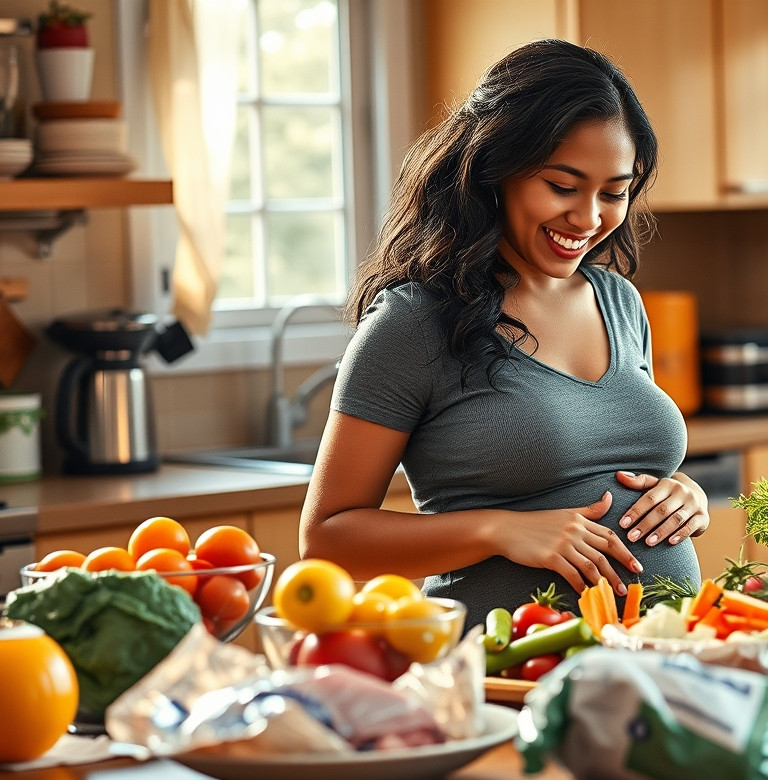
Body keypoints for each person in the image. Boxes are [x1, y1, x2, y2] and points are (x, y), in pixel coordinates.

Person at [299, 40, 709, 631]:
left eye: (613, 192)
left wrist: (681, 494)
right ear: (495, 168)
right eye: (563, 186)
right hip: (509, 674)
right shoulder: (416, 321)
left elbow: (614, 455)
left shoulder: (619, 302)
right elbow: (326, 539)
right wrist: (500, 529)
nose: (589, 218)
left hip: (661, 667)